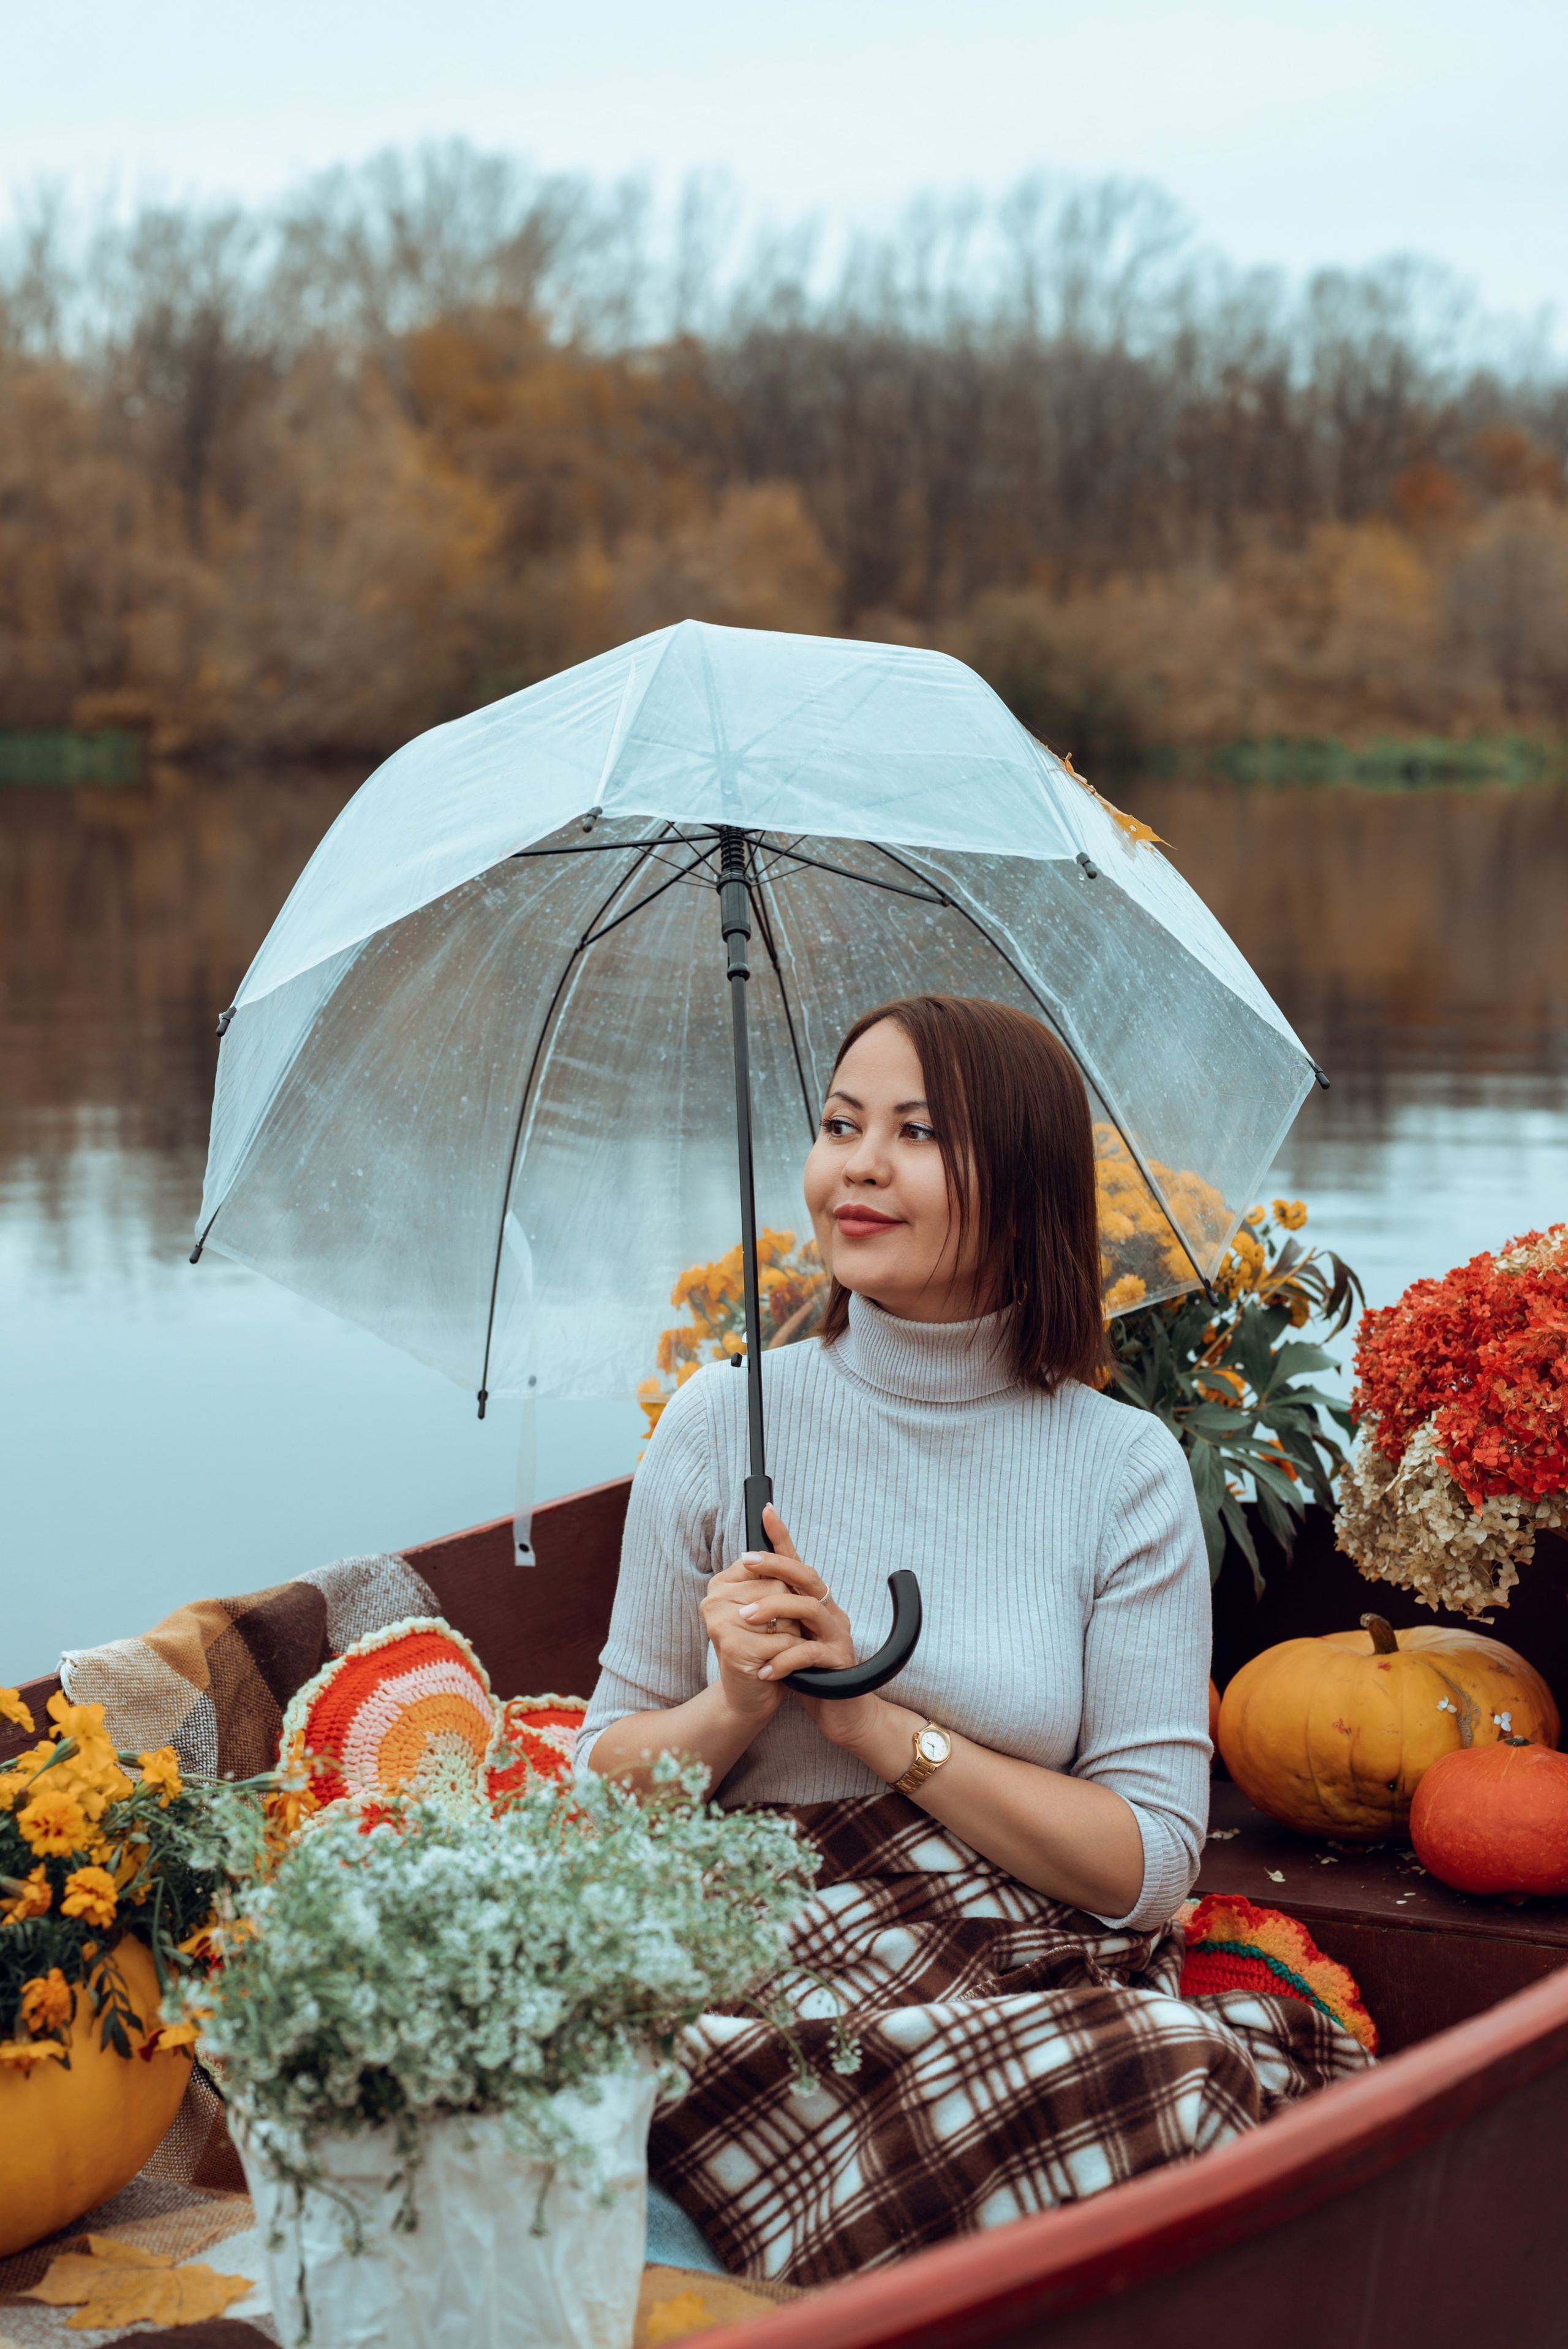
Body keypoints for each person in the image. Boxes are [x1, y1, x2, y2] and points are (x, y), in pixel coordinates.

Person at [578, 995, 1368, 2285]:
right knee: (590, 2069)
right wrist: (727, 1705)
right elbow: (595, 1794)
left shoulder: (1119, 1467)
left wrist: (874, 1723)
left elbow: (1149, 1864)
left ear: (1022, 1183)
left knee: (1170, 2073)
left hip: (1014, 1959)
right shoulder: (723, 1423)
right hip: (754, 1953)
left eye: (915, 1132)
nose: (858, 1166)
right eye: (839, 1126)